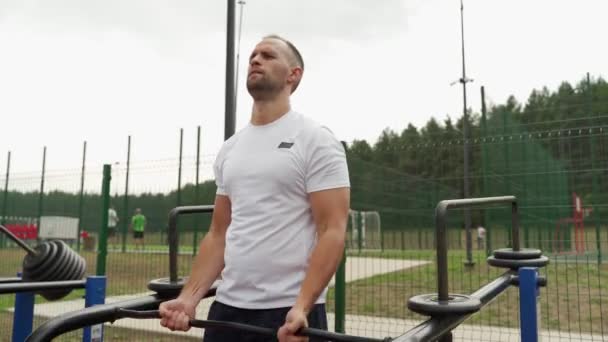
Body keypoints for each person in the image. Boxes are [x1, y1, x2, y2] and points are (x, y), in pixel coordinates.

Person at [159, 34, 350, 342]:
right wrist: (189, 298)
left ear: (293, 74)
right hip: (227, 310)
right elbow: (219, 233)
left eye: (268, 55)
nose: (256, 60)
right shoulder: (231, 149)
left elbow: (333, 230)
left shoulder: (315, 139)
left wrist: (302, 306)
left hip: (289, 315)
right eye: (252, 55)